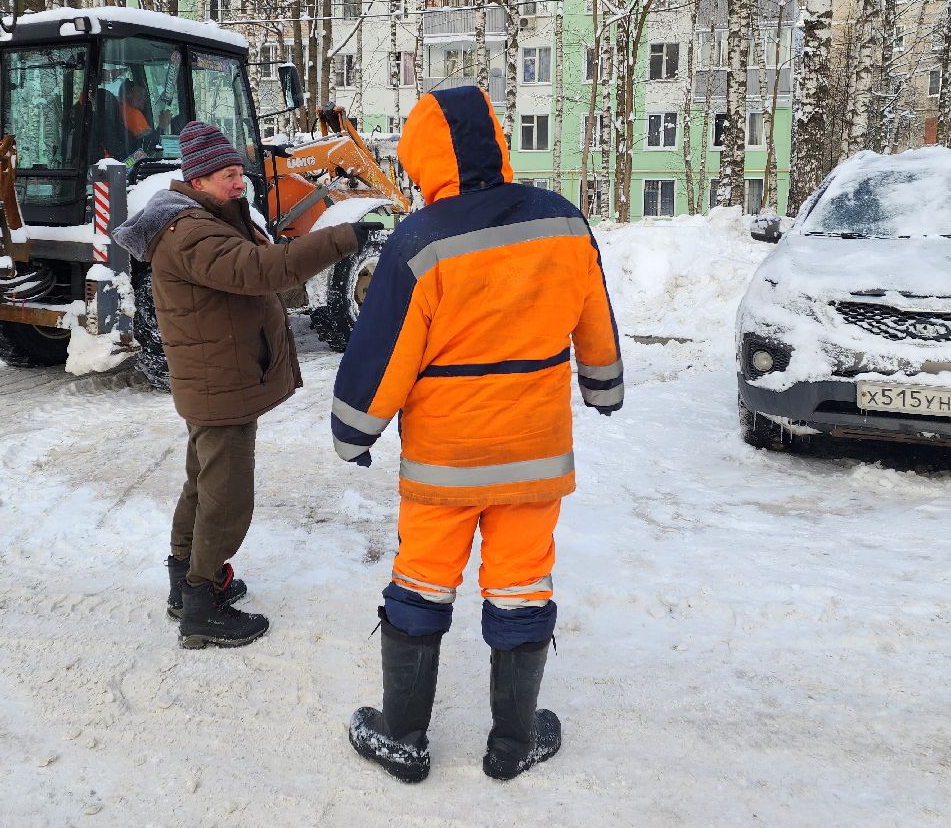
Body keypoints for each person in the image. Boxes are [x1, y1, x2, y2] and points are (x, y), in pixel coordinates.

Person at [330, 85, 622, 782]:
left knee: (423, 582)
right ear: (497, 141)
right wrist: (603, 389)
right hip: (533, 456)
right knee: (521, 585)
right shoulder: (561, 221)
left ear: (423, 159)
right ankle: (513, 743)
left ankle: (403, 739)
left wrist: (353, 431)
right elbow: (595, 323)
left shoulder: (421, 242)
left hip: (445, 466)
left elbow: (385, 352)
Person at [113, 121, 377, 648]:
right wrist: (345, 237)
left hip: (218, 377)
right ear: (200, 179)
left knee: (204, 484)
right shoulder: (190, 231)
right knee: (227, 498)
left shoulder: (205, 217)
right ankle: (202, 606)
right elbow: (262, 271)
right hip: (220, 382)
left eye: (240, 173)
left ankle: (185, 584)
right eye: (229, 175)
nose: (241, 184)